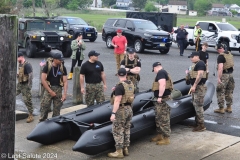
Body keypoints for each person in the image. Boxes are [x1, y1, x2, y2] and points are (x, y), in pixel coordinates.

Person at [108, 68, 134, 158]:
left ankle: (119, 151)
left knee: (118, 130)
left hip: (121, 110)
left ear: (118, 75)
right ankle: (125, 149)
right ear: (126, 74)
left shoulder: (119, 86)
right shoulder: (130, 84)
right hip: (129, 109)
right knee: (127, 129)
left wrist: (113, 113)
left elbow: (117, 101)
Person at [39, 53, 68, 122]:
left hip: (58, 89)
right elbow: (43, 80)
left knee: (57, 108)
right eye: (60, 60)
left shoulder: (62, 67)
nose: (61, 61)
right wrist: (50, 91)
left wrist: (64, 94)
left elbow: (65, 81)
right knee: (45, 106)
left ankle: (55, 122)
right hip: (49, 89)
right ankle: (42, 122)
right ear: (55, 60)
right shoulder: (47, 67)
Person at [150, 62, 173, 145]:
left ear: (155, 68)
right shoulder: (163, 72)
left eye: (154, 70)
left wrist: (159, 97)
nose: (155, 72)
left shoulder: (161, 73)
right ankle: (160, 135)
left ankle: (166, 138)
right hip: (162, 100)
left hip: (163, 99)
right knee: (158, 117)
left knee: (164, 119)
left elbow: (162, 84)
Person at [187, 52, 207, 132]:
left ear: (197, 57)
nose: (191, 58)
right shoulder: (195, 64)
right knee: (195, 105)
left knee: (198, 106)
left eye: (192, 57)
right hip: (196, 87)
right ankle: (197, 123)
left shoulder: (200, 64)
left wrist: (194, 85)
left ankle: (201, 125)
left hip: (199, 87)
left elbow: (200, 75)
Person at [214, 44, 235, 114]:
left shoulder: (221, 56)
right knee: (229, 91)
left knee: (220, 91)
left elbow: (220, 68)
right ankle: (229, 107)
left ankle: (221, 108)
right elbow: (232, 65)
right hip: (231, 74)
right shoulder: (229, 53)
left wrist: (219, 78)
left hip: (224, 75)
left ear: (218, 49)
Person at [16, 52, 34, 123]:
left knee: (27, 100)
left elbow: (31, 75)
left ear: (21, 57)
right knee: (12, 93)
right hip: (20, 84)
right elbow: (21, 73)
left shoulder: (27, 65)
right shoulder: (20, 64)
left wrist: (28, 85)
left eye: (17, 58)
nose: (17, 60)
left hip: (25, 85)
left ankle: (31, 114)